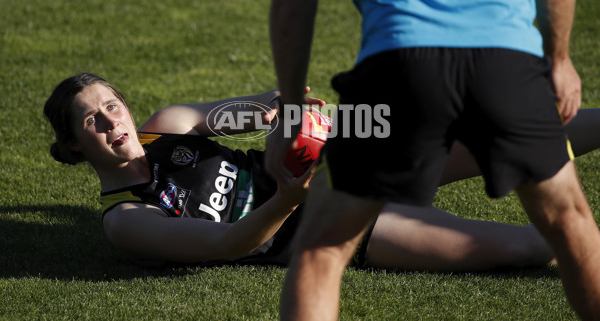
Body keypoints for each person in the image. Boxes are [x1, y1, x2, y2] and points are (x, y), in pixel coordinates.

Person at [264, 0, 600, 320]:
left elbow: (293, 4)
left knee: (322, 247)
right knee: (571, 224)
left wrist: (291, 110)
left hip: (400, 64)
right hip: (508, 63)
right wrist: (558, 60)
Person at [44, 73, 599, 272]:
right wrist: (289, 198)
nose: (110, 120)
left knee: (503, 139)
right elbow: (231, 242)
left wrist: (270, 105)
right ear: (74, 144)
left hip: (337, 163)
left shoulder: (168, 127)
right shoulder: (126, 220)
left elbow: (234, 114)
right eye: (91, 119)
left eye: (112, 104)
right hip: (332, 228)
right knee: (528, 249)